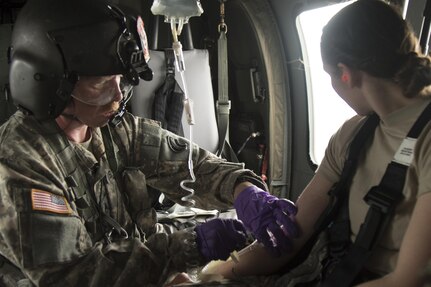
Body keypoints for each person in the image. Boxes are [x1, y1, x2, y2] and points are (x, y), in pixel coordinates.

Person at [0, 0, 298, 286]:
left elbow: (192, 166)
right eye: (101, 84)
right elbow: (74, 275)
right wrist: (190, 246)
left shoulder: (115, 129)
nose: (117, 98)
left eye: (121, 80)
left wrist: (243, 190)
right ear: (48, 83)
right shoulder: (19, 162)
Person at [208, 0, 431, 286]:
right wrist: (211, 275)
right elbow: (291, 238)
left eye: (329, 76)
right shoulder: (353, 135)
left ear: (346, 74)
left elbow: (408, 279)